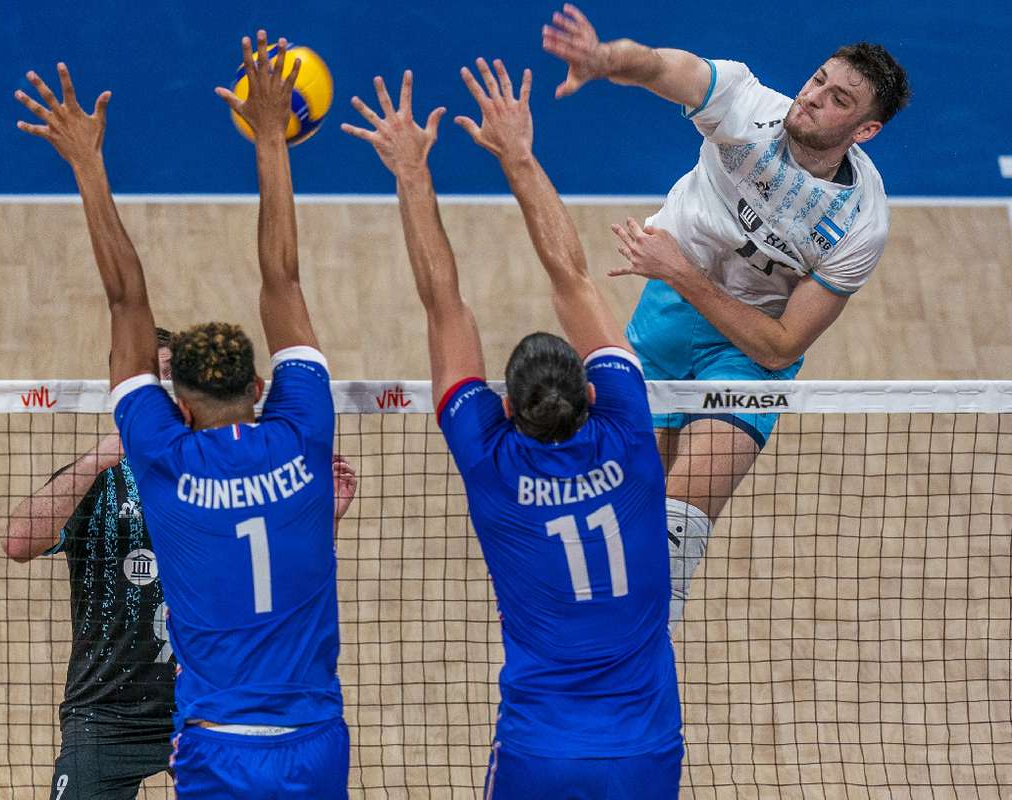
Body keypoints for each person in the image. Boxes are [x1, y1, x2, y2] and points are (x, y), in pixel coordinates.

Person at [15, 35, 348, 798]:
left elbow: (126, 299)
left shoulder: (164, 458)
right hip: (314, 742)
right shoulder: (303, 435)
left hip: (218, 747)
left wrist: (88, 165)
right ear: (260, 388)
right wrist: (272, 137)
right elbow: (283, 279)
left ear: (181, 404)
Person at [343, 61, 682, 799]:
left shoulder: (490, 459)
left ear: (505, 410)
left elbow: (444, 306)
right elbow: (573, 279)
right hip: (646, 750)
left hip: (540, 751)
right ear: (592, 392)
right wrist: (519, 156)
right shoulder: (628, 430)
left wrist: (412, 174)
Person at [542, 4, 911, 626]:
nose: (813, 96)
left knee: (672, 536)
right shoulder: (745, 106)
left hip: (746, 350)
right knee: (619, 518)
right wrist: (606, 59)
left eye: (839, 99)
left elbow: (780, 347)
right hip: (665, 321)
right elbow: (659, 67)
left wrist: (681, 272)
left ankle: (642, 666)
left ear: (865, 130)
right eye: (818, 79)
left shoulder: (859, 225)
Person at [2, 333, 358, 800]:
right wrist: (98, 458)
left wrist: (325, 520)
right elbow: (18, 543)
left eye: (168, 377)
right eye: (148, 379)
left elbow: (282, 578)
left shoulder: (233, 469)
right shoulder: (99, 478)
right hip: (107, 712)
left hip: (211, 707)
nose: (160, 392)